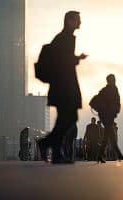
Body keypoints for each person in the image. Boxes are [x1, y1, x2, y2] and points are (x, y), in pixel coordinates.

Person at [37, 11, 87, 164]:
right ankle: (46, 144)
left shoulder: (65, 38)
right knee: (69, 118)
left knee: (65, 119)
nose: (80, 22)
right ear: (70, 21)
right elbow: (63, 62)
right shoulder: (65, 39)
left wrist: (76, 58)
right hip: (63, 87)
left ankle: (56, 152)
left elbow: (64, 60)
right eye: (78, 19)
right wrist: (75, 59)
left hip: (62, 86)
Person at [96, 74, 123, 163]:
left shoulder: (108, 89)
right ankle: (118, 154)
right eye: (113, 79)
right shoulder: (110, 89)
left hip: (108, 116)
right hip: (107, 116)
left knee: (107, 135)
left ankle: (100, 155)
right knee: (111, 135)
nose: (115, 80)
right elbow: (115, 102)